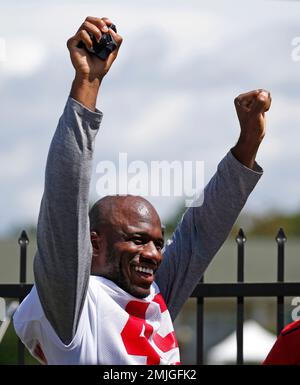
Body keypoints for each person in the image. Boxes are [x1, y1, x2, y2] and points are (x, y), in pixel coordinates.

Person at [13, 16, 272, 365]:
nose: (153, 253)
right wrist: (87, 82)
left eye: (157, 242)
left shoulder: (152, 291)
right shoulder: (74, 308)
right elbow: (65, 197)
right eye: (137, 240)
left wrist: (248, 144)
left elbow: (199, 234)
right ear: (93, 243)